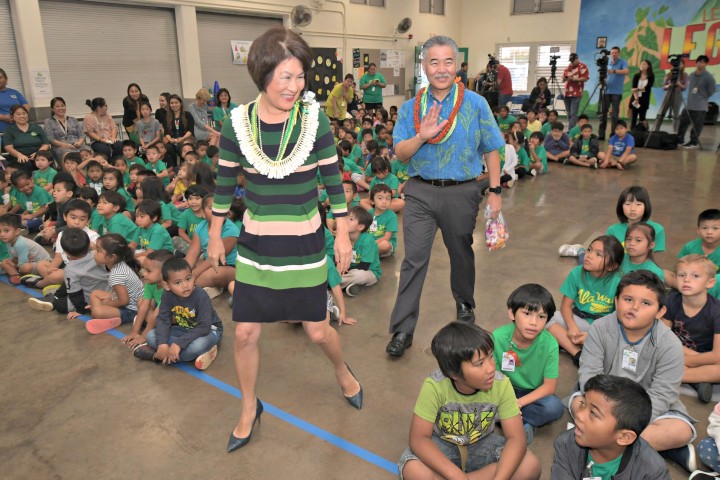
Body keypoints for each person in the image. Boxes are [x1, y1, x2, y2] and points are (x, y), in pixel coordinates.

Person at [208, 26, 362, 453]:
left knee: (317, 331)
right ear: (262, 76)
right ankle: (248, 407)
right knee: (244, 335)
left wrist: (343, 234)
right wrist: (216, 236)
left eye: (300, 77)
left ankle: (343, 372)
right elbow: (223, 186)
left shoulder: (315, 119)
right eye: (285, 78)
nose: (294, 87)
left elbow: (333, 178)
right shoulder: (236, 123)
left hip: (305, 242)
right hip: (257, 244)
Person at [386, 35, 504, 357]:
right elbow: (400, 154)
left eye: (447, 61)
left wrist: (494, 191)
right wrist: (421, 137)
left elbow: (493, 148)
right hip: (420, 192)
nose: (441, 69)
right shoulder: (411, 108)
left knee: (461, 252)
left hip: (461, 192)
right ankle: (402, 328)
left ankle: (464, 302)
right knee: (413, 260)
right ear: (424, 66)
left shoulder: (476, 104)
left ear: (457, 66)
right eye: (433, 62)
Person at [570, 271, 698, 472]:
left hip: (648, 410)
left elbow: (662, 394)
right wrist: (608, 414)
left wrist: (623, 421)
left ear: (660, 311)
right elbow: (590, 375)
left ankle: (596, 445)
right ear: (616, 301)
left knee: (679, 430)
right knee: (578, 404)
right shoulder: (600, 328)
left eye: (646, 303)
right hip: (603, 401)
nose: (634, 307)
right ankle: (658, 450)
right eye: (628, 299)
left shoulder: (670, 344)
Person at [398, 322, 541, 480]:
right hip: (443, 446)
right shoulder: (435, 386)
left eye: (491, 357)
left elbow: (516, 438)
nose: (491, 368)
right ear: (453, 372)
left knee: (530, 465)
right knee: (413, 470)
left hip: (483, 444)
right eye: (479, 364)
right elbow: (419, 439)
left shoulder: (501, 384)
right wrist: (457, 476)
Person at [552, 374, 670, 479]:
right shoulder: (566, 444)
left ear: (625, 437)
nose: (579, 414)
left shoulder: (652, 472)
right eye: (583, 403)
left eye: (593, 413)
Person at [492, 284, 563, 444]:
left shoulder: (550, 343)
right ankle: (519, 421)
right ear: (511, 312)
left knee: (554, 407)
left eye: (541, 317)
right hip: (503, 388)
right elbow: (493, 376)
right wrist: (507, 399)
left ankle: (512, 419)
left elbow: (549, 387)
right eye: (527, 313)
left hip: (533, 394)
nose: (533, 322)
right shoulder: (498, 337)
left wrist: (518, 403)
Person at [133, 257, 223, 371]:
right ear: (166, 285)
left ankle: (157, 356)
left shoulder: (201, 296)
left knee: (196, 347)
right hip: (184, 329)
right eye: (178, 282)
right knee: (151, 336)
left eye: (188, 279)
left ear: (193, 278)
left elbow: (204, 327)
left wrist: (178, 344)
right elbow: (163, 319)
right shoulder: (167, 295)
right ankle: (174, 353)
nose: (185, 285)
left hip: (209, 330)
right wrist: (162, 344)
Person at [546, 236, 624, 366]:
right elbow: (566, 306)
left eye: (599, 254)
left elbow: (620, 318)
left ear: (611, 266)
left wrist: (598, 335)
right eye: (589, 250)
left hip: (601, 326)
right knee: (544, 316)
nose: (589, 256)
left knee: (616, 343)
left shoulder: (619, 282)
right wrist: (572, 327)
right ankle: (576, 352)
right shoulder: (576, 273)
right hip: (577, 319)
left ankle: (564, 340)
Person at [665, 254, 720, 403]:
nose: (687, 280)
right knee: (651, 347)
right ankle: (699, 380)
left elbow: (716, 355)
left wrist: (686, 360)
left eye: (695, 276)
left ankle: (675, 374)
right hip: (676, 350)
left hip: (706, 356)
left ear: (710, 283)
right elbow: (663, 336)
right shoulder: (671, 300)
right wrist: (682, 355)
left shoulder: (717, 311)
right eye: (682, 275)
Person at [28, 228, 108, 316]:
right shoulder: (97, 255)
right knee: (70, 281)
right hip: (106, 291)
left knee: (60, 305)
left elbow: (76, 294)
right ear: (89, 244)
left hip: (89, 299)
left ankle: (55, 299)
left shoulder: (70, 269)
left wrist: (80, 310)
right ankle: (56, 295)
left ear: (65, 252)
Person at [86, 233, 144, 334]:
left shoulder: (116, 275)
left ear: (112, 258)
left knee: (96, 312)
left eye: (98, 251)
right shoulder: (119, 264)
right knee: (95, 293)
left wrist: (106, 303)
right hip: (127, 300)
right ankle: (107, 317)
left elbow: (124, 301)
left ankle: (113, 320)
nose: (95, 253)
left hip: (132, 310)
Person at [121, 248, 173, 349]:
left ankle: (152, 328)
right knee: (141, 301)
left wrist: (143, 336)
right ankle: (150, 326)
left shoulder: (169, 288)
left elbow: (158, 313)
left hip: (174, 319)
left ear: (164, 273)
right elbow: (144, 305)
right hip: (160, 314)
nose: (144, 274)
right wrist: (135, 332)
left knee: (158, 319)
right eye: (144, 269)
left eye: (148, 271)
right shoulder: (151, 284)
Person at [677, 55, 717, 149]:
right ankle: (680, 140)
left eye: (704, 62)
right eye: (700, 62)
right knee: (683, 122)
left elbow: (712, 91)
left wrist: (703, 98)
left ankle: (693, 142)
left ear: (706, 64)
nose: (701, 64)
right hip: (689, 104)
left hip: (700, 106)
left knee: (697, 126)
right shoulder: (691, 75)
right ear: (696, 63)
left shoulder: (709, 77)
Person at [339, 206, 380, 296]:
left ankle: (333, 284)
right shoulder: (342, 237)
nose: (346, 220)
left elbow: (364, 266)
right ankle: (350, 286)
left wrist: (345, 272)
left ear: (360, 226)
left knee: (359, 275)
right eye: (346, 217)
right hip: (348, 271)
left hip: (368, 271)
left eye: (351, 219)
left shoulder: (367, 240)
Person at [0, 213, 52, 285]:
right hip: (28, 261)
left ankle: (30, 275)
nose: (2, 234)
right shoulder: (8, 241)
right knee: (4, 262)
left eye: (6, 231)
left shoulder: (20, 243)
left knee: (25, 267)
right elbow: (13, 257)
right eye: (0, 231)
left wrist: (14, 265)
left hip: (42, 263)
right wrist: (12, 262)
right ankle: (15, 275)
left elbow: (22, 263)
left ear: (17, 231)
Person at [3, 105, 51, 173]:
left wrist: (38, 153)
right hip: (18, 157)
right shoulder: (9, 130)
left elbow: (46, 144)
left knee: (44, 162)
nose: (22, 116)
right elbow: (8, 147)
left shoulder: (36, 127)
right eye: (18, 114)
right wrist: (19, 155)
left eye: (24, 113)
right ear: (12, 116)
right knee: (25, 163)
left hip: (38, 154)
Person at [598, 46, 629, 140]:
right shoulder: (608, 63)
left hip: (617, 92)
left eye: (615, 52)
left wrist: (614, 71)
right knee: (603, 113)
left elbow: (626, 71)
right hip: (607, 91)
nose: (614, 54)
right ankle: (601, 135)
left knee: (614, 115)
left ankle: (613, 135)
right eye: (612, 53)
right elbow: (606, 76)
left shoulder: (622, 62)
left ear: (619, 53)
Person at [43, 97, 85, 161]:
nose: (61, 108)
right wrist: (66, 145)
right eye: (57, 106)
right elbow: (50, 139)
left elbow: (82, 135)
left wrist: (79, 142)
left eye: (62, 106)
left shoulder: (73, 119)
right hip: (60, 147)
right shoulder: (48, 121)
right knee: (68, 154)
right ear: (52, 109)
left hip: (77, 145)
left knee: (88, 151)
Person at [163, 94, 194, 167]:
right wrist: (170, 139)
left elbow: (190, 130)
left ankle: (184, 164)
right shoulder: (167, 116)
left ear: (180, 104)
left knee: (182, 146)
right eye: (172, 103)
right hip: (173, 140)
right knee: (168, 147)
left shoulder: (187, 114)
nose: (174, 105)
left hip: (186, 138)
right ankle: (174, 166)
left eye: (176, 102)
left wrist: (182, 139)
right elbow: (166, 132)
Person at [562, 53, 589, 129]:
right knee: (569, 113)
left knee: (574, 112)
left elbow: (585, 78)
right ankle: (570, 127)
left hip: (577, 92)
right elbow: (563, 79)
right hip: (567, 93)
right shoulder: (568, 67)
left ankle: (570, 130)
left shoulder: (583, 67)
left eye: (573, 60)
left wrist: (574, 79)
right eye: (571, 61)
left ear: (577, 59)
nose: (572, 62)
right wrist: (565, 78)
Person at [0, 68, 30, 133]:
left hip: (18, 130)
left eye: (0, 78)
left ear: (6, 79)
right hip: (2, 131)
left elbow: (26, 105)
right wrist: (3, 117)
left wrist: (19, 116)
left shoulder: (14, 92)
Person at [662, 59, 688, 133]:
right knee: (661, 113)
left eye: (680, 64)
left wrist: (679, 84)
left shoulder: (685, 75)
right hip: (668, 94)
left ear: (683, 65)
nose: (679, 66)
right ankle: (656, 130)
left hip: (678, 95)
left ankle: (675, 132)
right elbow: (664, 87)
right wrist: (669, 85)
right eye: (677, 64)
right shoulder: (669, 75)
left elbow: (684, 87)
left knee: (676, 115)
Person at [628, 60, 655, 130]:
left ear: (648, 66)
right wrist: (636, 99)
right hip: (635, 98)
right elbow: (633, 88)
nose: (642, 65)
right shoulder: (636, 76)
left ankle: (642, 133)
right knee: (633, 118)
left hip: (644, 100)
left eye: (644, 64)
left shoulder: (651, 76)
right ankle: (632, 132)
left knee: (642, 119)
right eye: (641, 64)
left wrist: (637, 89)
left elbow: (648, 87)